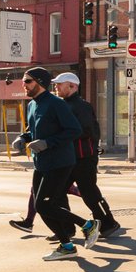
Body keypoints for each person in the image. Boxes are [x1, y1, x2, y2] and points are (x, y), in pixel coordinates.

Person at [13, 67, 98, 261]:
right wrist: (22, 138)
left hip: (60, 162)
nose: (23, 85)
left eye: (28, 81)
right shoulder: (32, 105)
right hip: (41, 163)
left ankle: (87, 226)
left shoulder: (57, 104)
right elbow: (31, 130)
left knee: (44, 205)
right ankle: (67, 245)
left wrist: (47, 143)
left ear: (40, 82)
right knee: (42, 205)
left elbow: (74, 130)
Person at [48, 72, 119, 238]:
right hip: (67, 159)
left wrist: (58, 135)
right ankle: (66, 229)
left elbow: (85, 130)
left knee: (90, 194)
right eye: (56, 84)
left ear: (72, 86)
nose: (56, 87)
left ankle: (108, 224)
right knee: (56, 193)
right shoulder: (62, 105)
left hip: (83, 158)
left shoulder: (81, 106)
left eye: (60, 84)